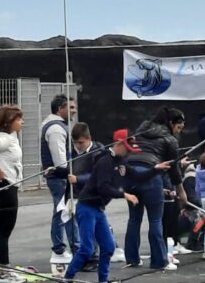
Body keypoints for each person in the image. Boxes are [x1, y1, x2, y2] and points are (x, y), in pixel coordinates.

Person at [64, 129, 169, 283]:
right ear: (118, 144)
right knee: (87, 249)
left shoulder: (122, 162)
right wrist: (124, 194)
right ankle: (68, 277)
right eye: (127, 148)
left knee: (108, 248)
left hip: (99, 209)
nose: (129, 152)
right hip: (86, 208)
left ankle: (103, 280)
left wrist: (155, 169)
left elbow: (137, 175)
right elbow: (103, 187)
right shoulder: (105, 162)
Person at [124, 107, 187, 271]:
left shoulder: (141, 130)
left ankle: (132, 259)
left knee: (134, 219)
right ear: (172, 123)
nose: (180, 131)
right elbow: (174, 169)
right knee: (155, 220)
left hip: (131, 175)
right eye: (179, 127)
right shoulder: (170, 139)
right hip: (152, 177)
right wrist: (180, 190)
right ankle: (159, 261)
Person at [0, 106, 24, 283]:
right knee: (4, 229)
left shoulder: (11, 137)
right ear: (9, 122)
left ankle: (0, 268)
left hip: (12, 184)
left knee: (4, 229)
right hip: (5, 186)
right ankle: (1, 271)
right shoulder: (3, 138)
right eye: (18, 119)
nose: (21, 122)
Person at [41, 94, 79, 262]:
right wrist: (69, 173)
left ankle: (67, 248)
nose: (74, 110)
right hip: (59, 178)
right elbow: (60, 161)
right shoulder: (56, 128)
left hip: (58, 176)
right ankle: (60, 250)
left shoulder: (55, 125)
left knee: (65, 211)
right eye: (70, 107)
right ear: (60, 109)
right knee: (63, 211)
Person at [67, 123, 109, 270]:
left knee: (90, 228)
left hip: (93, 197)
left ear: (89, 138)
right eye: (75, 143)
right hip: (77, 194)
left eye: (80, 143)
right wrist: (56, 171)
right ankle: (83, 256)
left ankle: (93, 258)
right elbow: (69, 171)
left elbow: (96, 175)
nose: (78, 146)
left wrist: (78, 179)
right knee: (79, 227)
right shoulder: (73, 153)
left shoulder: (99, 152)